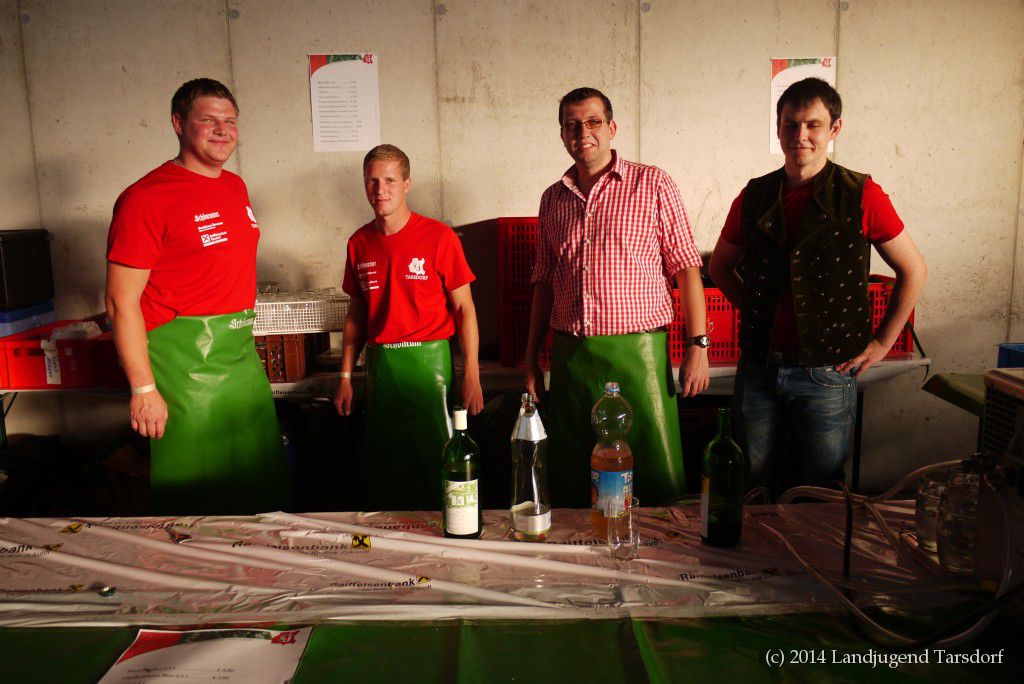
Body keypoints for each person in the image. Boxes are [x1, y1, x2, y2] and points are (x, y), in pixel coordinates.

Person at [709, 77, 927, 495]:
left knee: (822, 490)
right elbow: (720, 267)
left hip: (829, 371)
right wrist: (757, 311)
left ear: (834, 129)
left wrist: (882, 342)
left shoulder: (861, 194)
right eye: (790, 124)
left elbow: (914, 270)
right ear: (778, 128)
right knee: (751, 485)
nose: (800, 135)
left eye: (813, 124)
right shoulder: (754, 195)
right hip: (759, 368)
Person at [105, 78, 290, 514]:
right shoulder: (145, 198)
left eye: (230, 121)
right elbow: (120, 301)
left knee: (255, 479)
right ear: (178, 123)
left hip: (239, 354)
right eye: (209, 120)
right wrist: (144, 388)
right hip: (183, 365)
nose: (222, 130)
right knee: (195, 494)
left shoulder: (235, 186)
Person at [524, 87, 710, 508]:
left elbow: (686, 267)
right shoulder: (552, 199)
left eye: (592, 122)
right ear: (562, 135)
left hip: (639, 357)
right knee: (575, 485)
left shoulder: (653, 184)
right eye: (572, 125)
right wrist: (531, 357)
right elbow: (544, 281)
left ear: (612, 127)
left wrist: (698, 345)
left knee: (652, 482)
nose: (583, 133)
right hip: (571, 359)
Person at [334, 144, 483, 511]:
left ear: (406, 184)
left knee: (438, 463)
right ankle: (384, 538)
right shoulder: (358, 243)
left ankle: (449, 533)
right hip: (381, 369)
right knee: (385, 469)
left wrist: (472, 374)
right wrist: (345, 376)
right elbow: (356, 315)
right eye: (372, 181)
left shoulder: (438, 237)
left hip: (431, 367)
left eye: (389, 180)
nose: (380, 189)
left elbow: (464, 308)